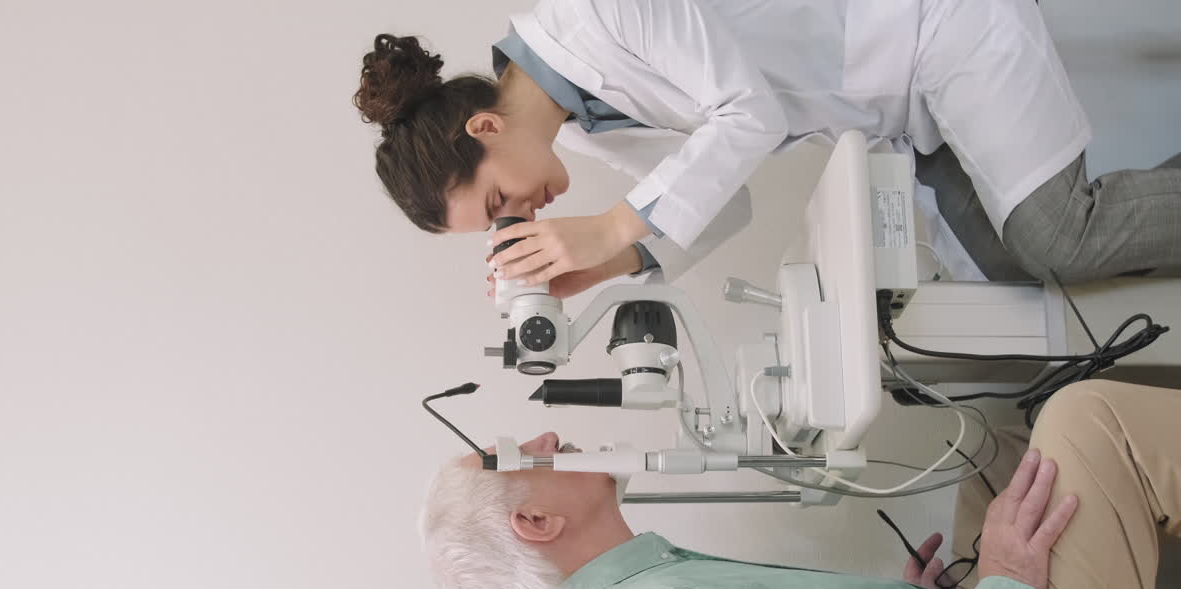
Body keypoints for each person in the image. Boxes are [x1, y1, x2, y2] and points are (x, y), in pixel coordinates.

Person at [419, 380, 1181, 589]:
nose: (548, 437)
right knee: (1090, 420)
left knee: (992, 438)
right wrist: (1007, 585)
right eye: (521, 452)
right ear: (537, 525)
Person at [355, 0, 1181, 293]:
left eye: (500, 203)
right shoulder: (589, 117)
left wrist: (613, 228)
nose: (527, 214)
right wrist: (599, 267)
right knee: (1011, 267)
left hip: (934, 30)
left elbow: (745, 115)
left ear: (485, 128)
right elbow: (725, 196)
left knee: (1056, 236)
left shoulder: (599, 13)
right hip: (898, 103)